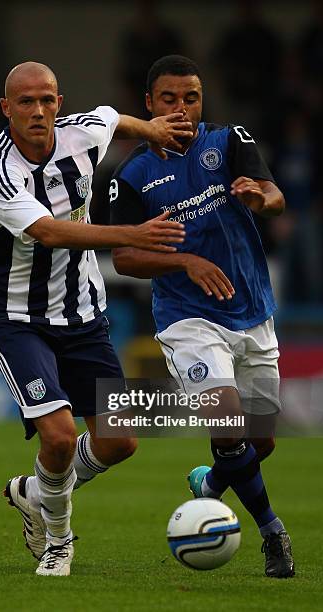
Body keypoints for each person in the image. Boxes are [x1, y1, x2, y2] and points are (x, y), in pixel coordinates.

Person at [0, 61, 189, 577]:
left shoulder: (82, 134)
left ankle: (35, 492)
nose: (39, 111)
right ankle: (59, 541)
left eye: (48, 99)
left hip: (83, 313)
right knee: (60, 436)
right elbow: (49, 232)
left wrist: (154, 128)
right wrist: (131, 235)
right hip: (15, 316)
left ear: (59, 103)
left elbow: (114, 118)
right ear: (7, 109)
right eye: (26, 102)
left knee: (120, 440)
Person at [109, 55, 295, 578]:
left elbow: (275, 196)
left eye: (191, 97)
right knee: (228, 422)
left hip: (252, 310)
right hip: (187, 318)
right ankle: (272, 532)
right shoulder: (132, 175)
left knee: (260, 442)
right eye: (169, 99)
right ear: (148, 105)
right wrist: (184, 261)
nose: (182, 108)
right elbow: (123, 257)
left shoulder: (230, 141)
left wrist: (262, 199)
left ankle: (212, 483)